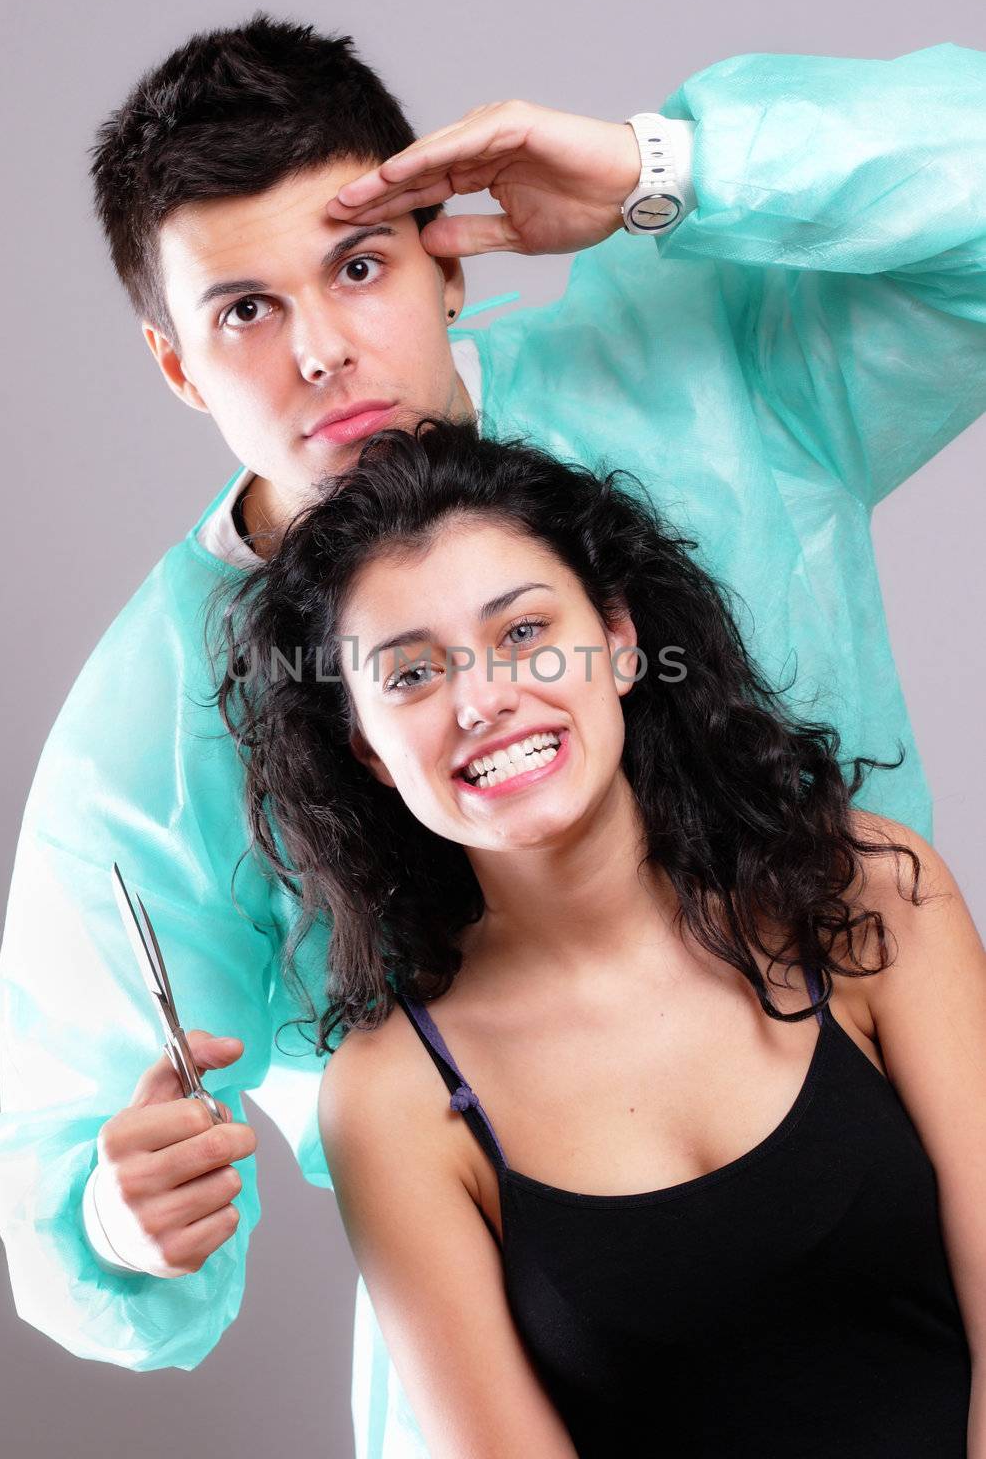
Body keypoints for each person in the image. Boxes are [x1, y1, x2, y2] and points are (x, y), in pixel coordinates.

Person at [0, 12, 985, 1459]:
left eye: (360, 263)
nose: (321, 352)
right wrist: (117, 1226)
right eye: (243, 312)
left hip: (897, 1196)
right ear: (177, 364)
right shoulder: (147, 732)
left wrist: (661, 169)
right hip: (532, 1348)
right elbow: (76, 1182)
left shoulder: (702, 378)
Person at [214, 414, 984, 1457]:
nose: (482, 699)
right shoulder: (392, 1095)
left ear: (618, 643)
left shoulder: (868, 892)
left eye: (523, 633)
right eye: (409, 675)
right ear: (368, 750)